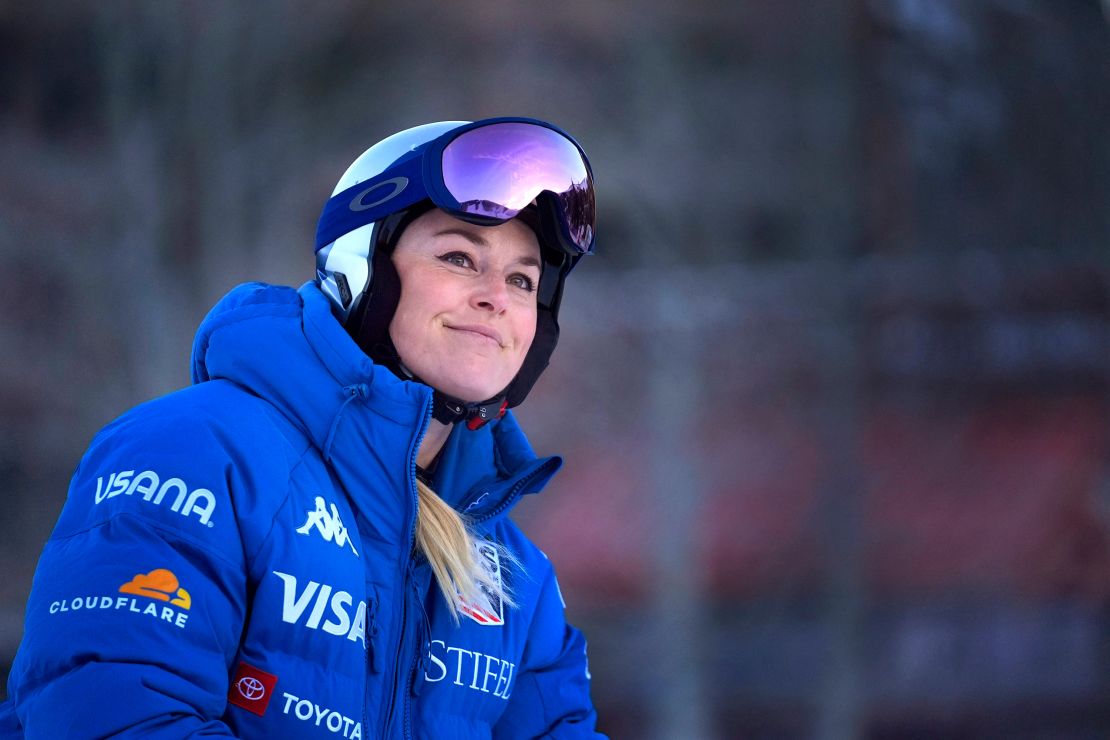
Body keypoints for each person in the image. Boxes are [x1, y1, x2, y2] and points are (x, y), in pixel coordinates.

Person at [1, 117, 605, 738]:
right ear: (364, 269)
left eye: (522, 280)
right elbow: (116, 719)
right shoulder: (195, 455)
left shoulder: (513, 577)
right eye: (458, 257)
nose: (496, 298)